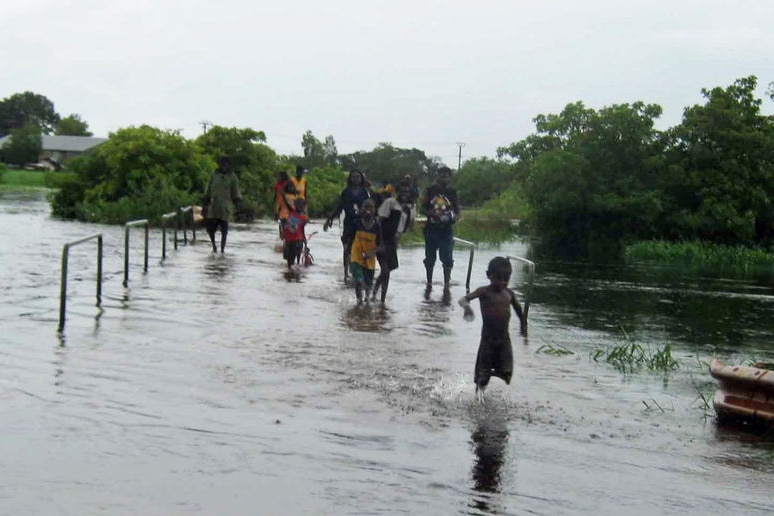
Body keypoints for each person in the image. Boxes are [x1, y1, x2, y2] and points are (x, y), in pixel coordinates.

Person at [458, 257, 527, 403]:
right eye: (498, 278)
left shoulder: (509, 294)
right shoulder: (484, 292)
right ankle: (478, 398)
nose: (502, 282)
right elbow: (463, 299)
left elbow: (519, 310)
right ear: (488, 275)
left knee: (507, 372)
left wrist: (523, 327)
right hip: (488, 340)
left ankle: (493, 374)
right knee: (482, 376)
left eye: (506, 279)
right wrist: (467, 308)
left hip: (504, 340)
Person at [323, 169, 373, 281]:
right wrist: (330, 219)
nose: (356, 179)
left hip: (361, 223)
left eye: (358, 177)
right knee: (347, 247)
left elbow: (370, 207)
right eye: (354, 177)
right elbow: (338, 206)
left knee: (361, 247)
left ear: (361, 179)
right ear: (350, 178)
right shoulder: (345, 192)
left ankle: (360, 271)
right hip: (348, 223)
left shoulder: (365, 192)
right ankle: (346, 273)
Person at [421, 166, 460, 295]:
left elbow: (457, 211)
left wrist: (454, 218)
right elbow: (423, 208)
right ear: (437, 176)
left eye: (446, 176)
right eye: (442, 175)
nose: (444, 178)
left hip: (446, 230)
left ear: (450, 177)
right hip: (431, 229)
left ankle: (447, 284)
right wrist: (432, 214)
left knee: (447, 258)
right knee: (430, 258)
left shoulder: (452, 192)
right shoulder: (430, 190)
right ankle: (429, 283)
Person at [372, 184, 412, 304]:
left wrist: (397, 239)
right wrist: (379, 241)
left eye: (407, 193)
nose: (404, 195)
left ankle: (376, 294)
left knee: (387, 270)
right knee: (385, 270)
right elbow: (379, 221)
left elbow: (403, 228)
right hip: (382, 239)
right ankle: (380, 299)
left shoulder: (406, 210)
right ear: (397, 192)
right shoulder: (390, 202)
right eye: (402, 192)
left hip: (393, 242)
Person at [202, 155, 241, 253]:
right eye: (222, 164)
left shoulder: (232, 177)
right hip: (214, 206)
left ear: (229, 165)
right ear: (219, 165)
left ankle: (222, 250)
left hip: (225, 207)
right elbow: (208, 189)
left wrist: (237, 206)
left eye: (226, 164)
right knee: (210, 228)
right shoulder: (214, 175)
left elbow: (236, 192)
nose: (224, 166)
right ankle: (214, 246)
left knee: (224, 230)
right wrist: (205, 203)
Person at [349, 198, 383, 304]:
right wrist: (347, 253)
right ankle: (359, 301)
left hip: (370, 260)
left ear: (375, 210)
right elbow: (349, 239)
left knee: (368, 285)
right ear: (361, 209)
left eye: (371, 207)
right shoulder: (356, 223)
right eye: (366, 207)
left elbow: (381, 246)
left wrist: (371, 253)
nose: (368, 210)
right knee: (359, 281)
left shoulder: (377, 226)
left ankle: (366, 301)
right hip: (356, 257)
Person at [282, 198, 309, 270]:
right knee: (289, 261)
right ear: (295, 205)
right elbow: (287, 203)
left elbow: (302, 230)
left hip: (297, 241)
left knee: (293, 262)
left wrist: (304, 239)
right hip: (288, 240)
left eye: (301, 205)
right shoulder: (291, 211)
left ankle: (293, 276)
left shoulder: (304, 218)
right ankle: (292, 276)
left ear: (303, 207)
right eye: (297, 205)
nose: (299, 207)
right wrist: (283, 195)